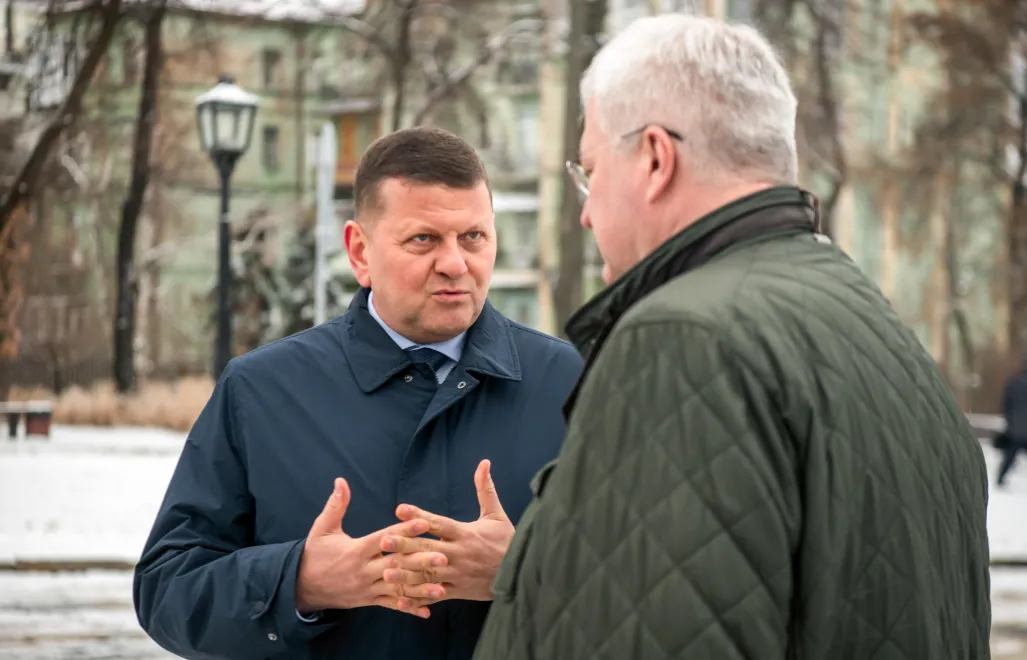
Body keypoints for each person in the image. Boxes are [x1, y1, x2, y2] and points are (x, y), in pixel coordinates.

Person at [474, 14, 991, 660]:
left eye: (590, 172)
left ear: (656, 159)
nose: (584, 210)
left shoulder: (683, 343)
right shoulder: (880, 335)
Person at [133, 127, 583, 660]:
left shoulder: (572, 382)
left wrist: (530, 570)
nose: (455, 264)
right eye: (424, 239)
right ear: (359, 251)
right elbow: (167, 591)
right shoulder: (260, 391)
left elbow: (658, 580)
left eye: (473, 237)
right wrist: (298, 581)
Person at [998, 358, 1027, 486]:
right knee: (1011, 453)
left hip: (1016, 426)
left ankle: (1000, 478)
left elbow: (1006, 403)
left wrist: (1009, 419)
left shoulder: (1013, 381)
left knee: (1010, 454)